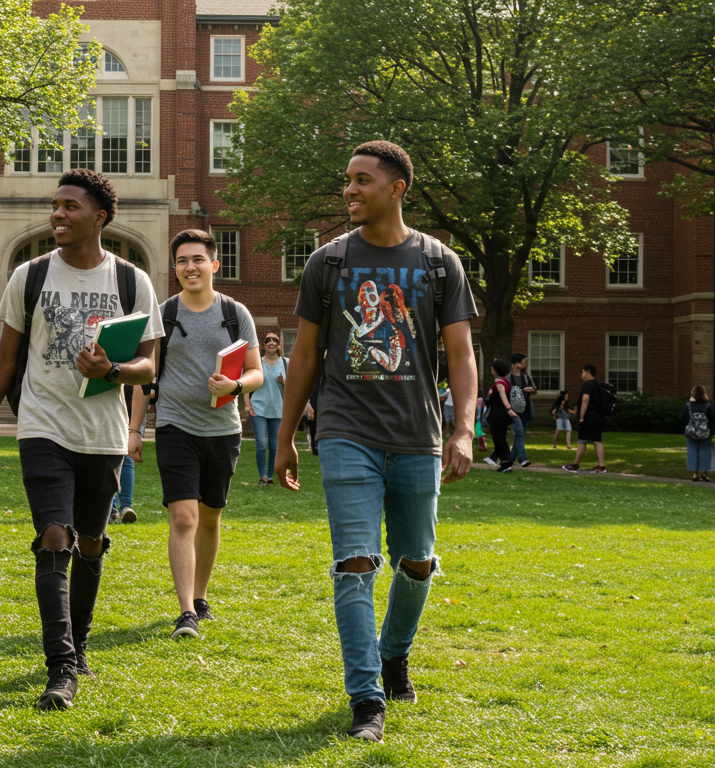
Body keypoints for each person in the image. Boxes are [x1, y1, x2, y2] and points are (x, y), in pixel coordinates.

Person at [275, 140, 478, 742]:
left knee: (416, 563)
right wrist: (286, 436)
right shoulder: (328, 263)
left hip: (418, 434)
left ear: (397, 188)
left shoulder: (439, 262)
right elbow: (305, 354)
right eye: (346, 180)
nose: (350, 190)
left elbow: (462, 354)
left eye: (362, 180)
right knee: (355, 563)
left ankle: (394, 654)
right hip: (345, 431)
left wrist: (463, 428)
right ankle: (366, 698)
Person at [0, 169, 163, 710]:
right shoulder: (29, 276)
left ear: (99, 217)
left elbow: (148, 364)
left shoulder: (131, 280)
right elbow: (5, 359)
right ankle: (61, 668)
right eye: (55, 206)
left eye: (70, 207)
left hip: (102, 434)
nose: (58, 213)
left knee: (92, 543)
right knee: (55, 536)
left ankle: (79, 646)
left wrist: (113, 369)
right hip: (43, 426)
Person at [129, 228, 261, 640]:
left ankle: (201, 597)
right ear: (175, 269)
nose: (191, 267)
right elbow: (145, 378)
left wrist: (235, 387)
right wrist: (135, 429)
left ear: (214, 265)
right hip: (174, 426)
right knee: (183, 516)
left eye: (198, 259)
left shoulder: (235, 313)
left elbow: (257, 372)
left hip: (223, 430)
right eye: (183, 261)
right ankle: (186, 611)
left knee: (209, 517)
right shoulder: (164, 315)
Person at [246, 332, 287, 485]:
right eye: (267, 340)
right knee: (261, 444)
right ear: (263, 345)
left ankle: (270, 478)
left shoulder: (286, 363)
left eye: (274, 340)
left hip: (278, 409)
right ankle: (262, 477)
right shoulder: (258, 363)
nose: (271, 342)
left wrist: (284, 383)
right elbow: (247, 383)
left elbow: (296, 388)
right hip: (258, 408)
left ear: (279, 345)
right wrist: (247, 404)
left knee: (274, 446)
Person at [562, 364, 606, 474]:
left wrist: (581, 417)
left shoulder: (587, 384)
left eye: (582, 372)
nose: (581, 375)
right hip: (599, 416)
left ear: (587, 373)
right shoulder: (598, 385)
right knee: (597, 440)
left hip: (589, 416)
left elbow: (585, 400)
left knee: (582, 440)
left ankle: (575, 465)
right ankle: (602, 466)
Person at [110, 385, 139, 523]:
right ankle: (125, 507)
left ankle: (112, 508)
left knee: (107, 456)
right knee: (126, 459)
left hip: (112, 408)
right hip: (129, 410)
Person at [484, 359, 517, 472]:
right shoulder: (505, 382)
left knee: (500, 441)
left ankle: (506, 464)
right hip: (501, 416)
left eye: (492, 369)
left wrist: (509, 409)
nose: (491, 371)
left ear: (497, 370)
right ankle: (497, 460)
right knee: (500, 440)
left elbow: (503, 399)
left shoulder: (499, 384)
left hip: (497, 416)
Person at [681, 385, 715, 482]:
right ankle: (703, 473)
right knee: (705, 453)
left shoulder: (688, 405)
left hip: (691, 433)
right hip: (705, 433)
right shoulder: (708, 406)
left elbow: (683, 418)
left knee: (692, 453)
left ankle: (694, 474)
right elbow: (713, 419)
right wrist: (711, 431)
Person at [507, 353, 536, 467]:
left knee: (520, 434)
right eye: (523, 362)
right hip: (515, 411)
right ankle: (523, 459)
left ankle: (509, 460)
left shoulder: (526, 377)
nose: (525, 364)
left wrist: (531, 390)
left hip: (527, 409)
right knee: (519, 434)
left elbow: (535, 389)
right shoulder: (509, 378)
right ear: (516, 364)